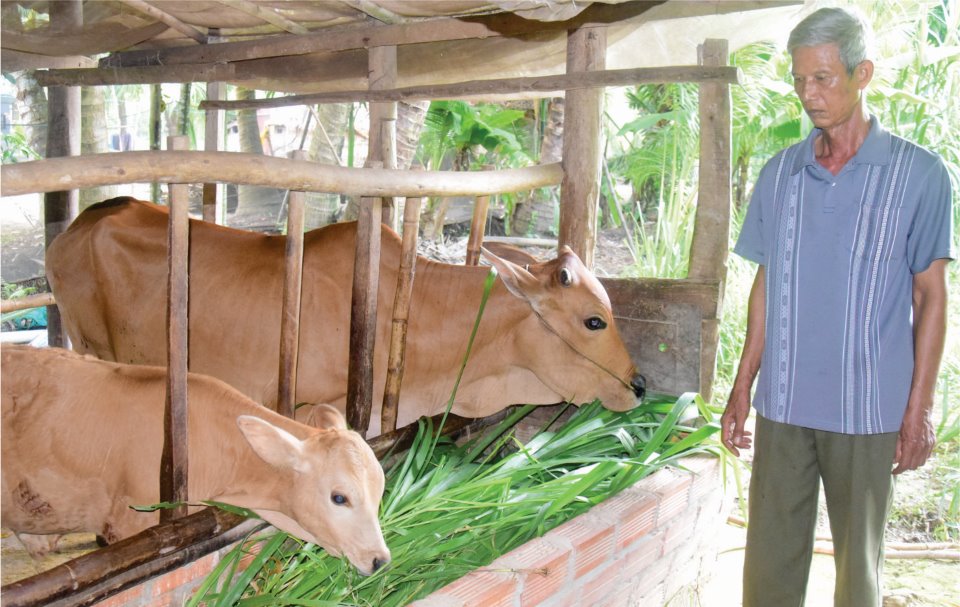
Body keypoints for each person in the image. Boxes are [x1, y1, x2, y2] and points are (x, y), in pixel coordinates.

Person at [721, 6, 953, 607]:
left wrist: (919, 409)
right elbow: (767, 285)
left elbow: (931, 296)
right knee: (769, 569)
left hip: (869, 410)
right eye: (799, 79)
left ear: (862, 74)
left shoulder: (920, 175)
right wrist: (743, 385)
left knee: (859, 575)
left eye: (823, 78)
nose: (808, 94)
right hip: (786, 405)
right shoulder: (780, 175)